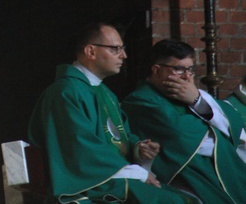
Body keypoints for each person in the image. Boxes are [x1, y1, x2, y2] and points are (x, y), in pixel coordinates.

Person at [28, 23, 196, 203]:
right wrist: (137, 173)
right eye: (116, 49)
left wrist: (138, 148)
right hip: (89, 184)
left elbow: (118, 137)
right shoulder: (65, 93)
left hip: (111, 177)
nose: (124, 55)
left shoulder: (104, 93)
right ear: (91, 52)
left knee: (187, 198)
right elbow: (80, 150)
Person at [121, 39, 246, 203]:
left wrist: (196, 100)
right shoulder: (141, 100)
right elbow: (181, 135)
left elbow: (232, 119)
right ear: (156, 70)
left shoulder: (190, 93)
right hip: (185, 175)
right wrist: (211, 125)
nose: (187, 76)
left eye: (191, 69)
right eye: (179, 69)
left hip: (214, 167)